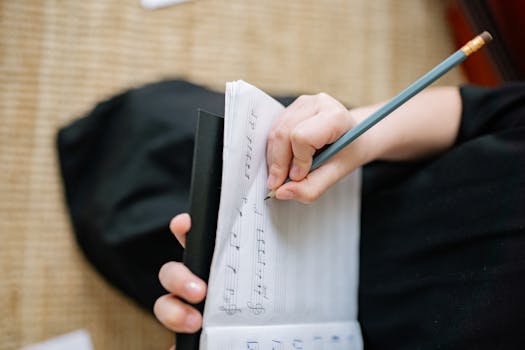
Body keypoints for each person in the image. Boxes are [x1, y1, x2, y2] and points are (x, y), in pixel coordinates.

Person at [154, 83, 525, 349]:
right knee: (163, 136)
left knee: (158, 252)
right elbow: (472, 112)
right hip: (355, 184)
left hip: (301, 331)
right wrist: (359, 133)